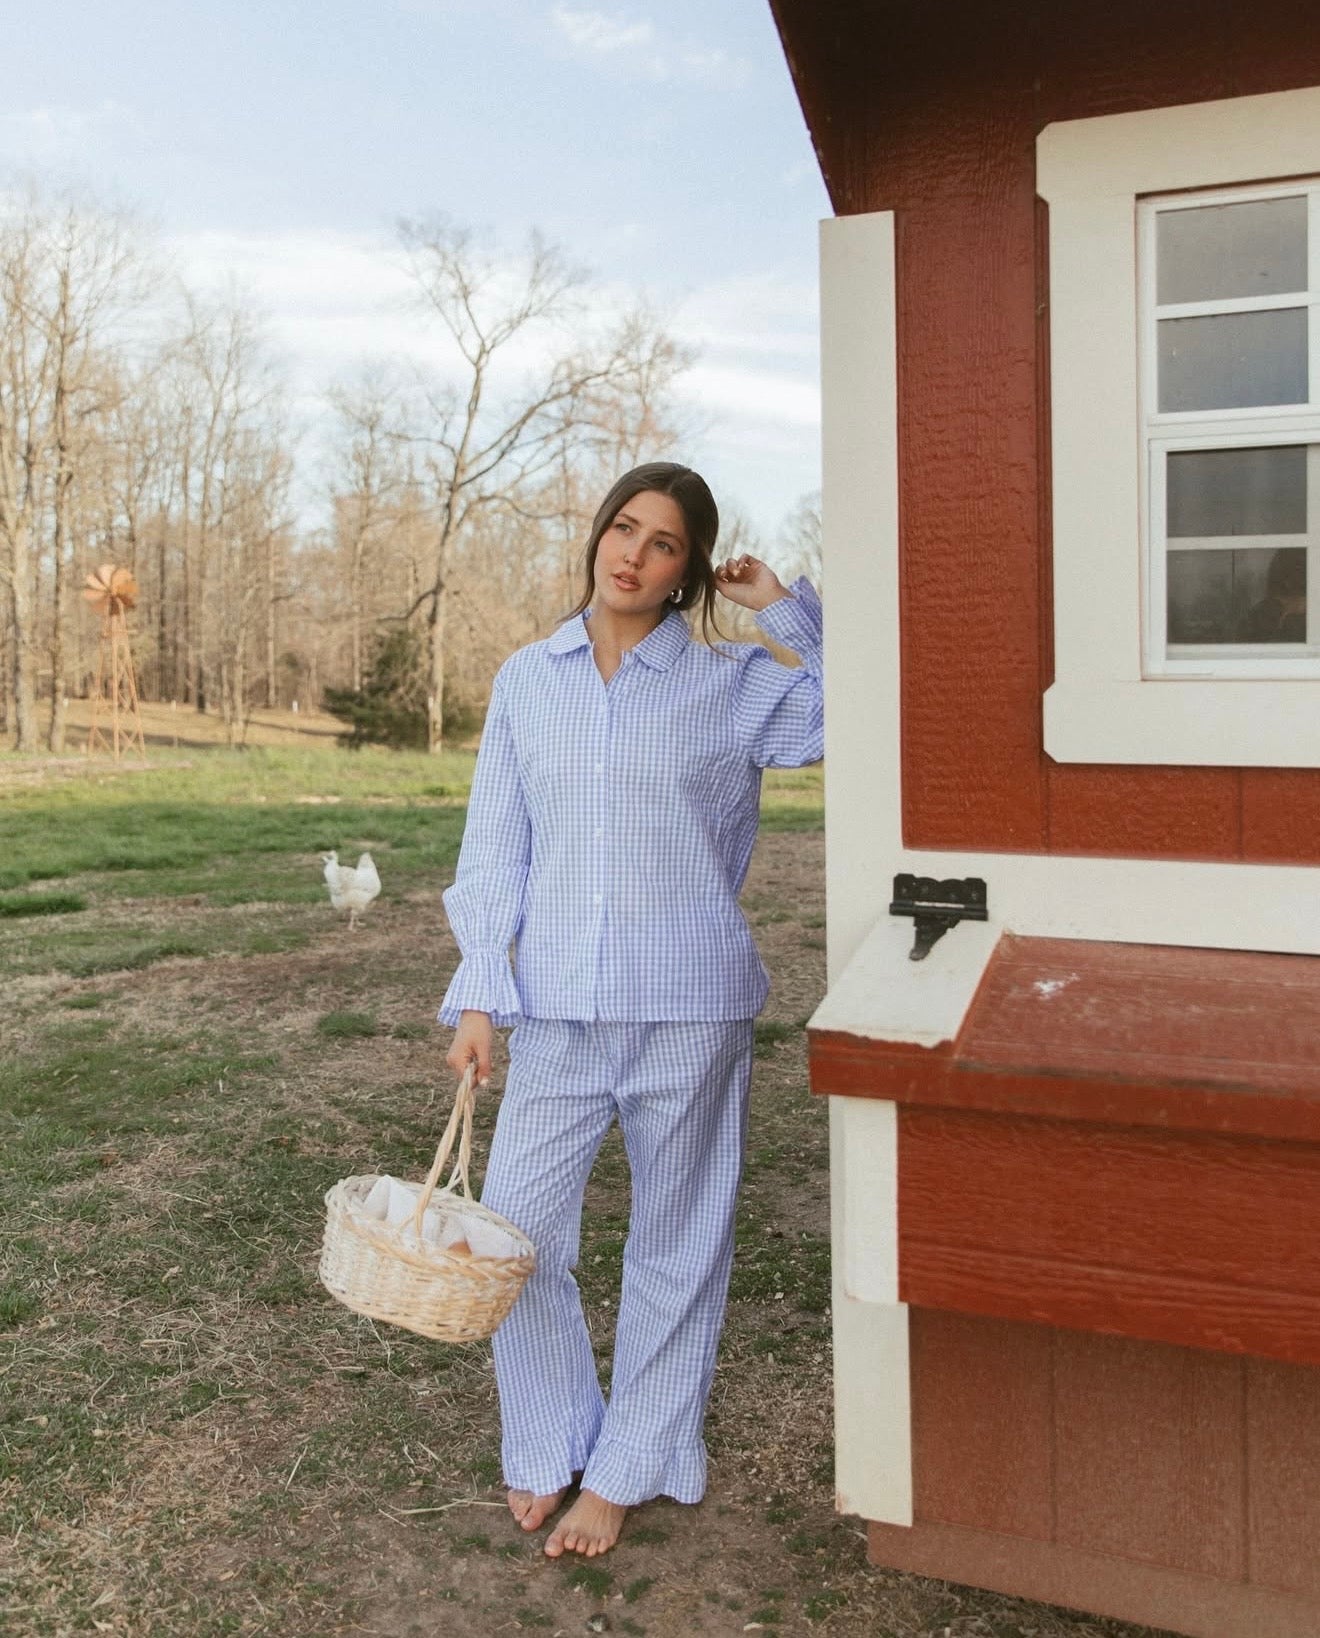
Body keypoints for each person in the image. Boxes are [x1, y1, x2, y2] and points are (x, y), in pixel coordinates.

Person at [439, 461, 823, 1558]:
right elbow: (495, 848)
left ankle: (628, 1465)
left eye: (664, 543)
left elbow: (855, 707)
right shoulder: (529, 679)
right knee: (514, 1235)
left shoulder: (730, 682)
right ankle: (551, 1436)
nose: (634, 555)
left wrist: (781, 608)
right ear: (598, 534)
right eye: (624, 528)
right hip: (557, 1010)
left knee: (676, 1245)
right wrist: (481, 992)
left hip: (691, 1008)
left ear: (687, 570)